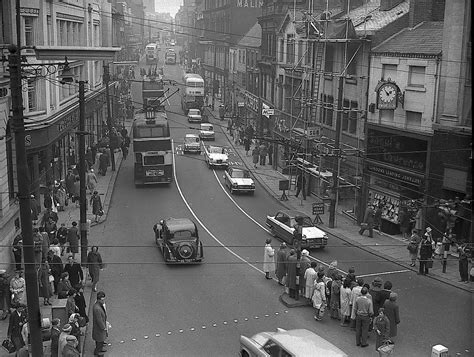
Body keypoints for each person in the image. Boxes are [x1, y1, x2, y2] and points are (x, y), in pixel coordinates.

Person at [92, 291, 108, 355]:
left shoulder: (98, 305)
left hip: (99, 327)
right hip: (99, 328)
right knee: (99, 340)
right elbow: (99, 320)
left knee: (100, 339)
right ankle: (97, 352)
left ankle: (100, 349)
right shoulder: (97, 308)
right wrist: (103, 327)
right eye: (103, 300)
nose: (103, 301)